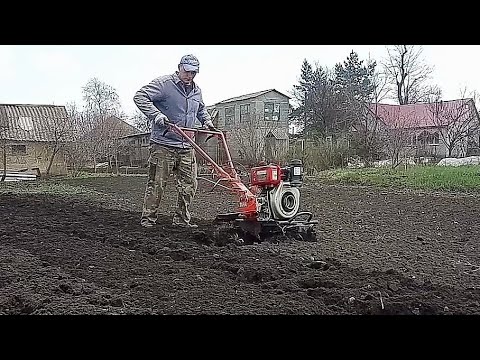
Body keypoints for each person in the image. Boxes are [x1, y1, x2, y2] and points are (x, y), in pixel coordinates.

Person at [133, 54, 217, 229]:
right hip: (163, 144)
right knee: (157, 184)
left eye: (194, 73)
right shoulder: (164, 85)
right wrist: (157, 115)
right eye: (187, 71)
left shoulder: (197, 91)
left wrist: (207, 122)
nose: (190, 76)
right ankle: (148, 220)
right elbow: (140, 96)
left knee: (190, 184)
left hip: (187, 145)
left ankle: (181, 220)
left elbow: (201, 109)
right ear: (180, 67)